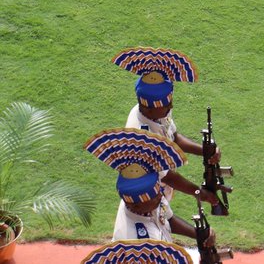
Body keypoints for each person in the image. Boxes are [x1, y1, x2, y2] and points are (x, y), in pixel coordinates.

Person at [111, 47, 227, 208]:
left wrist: (205, 150)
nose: (170, 106)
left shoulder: (157, 111)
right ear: (149, 108)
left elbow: (173, 137)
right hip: (148, 200)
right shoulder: (143, 140)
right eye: (166, 104)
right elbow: (167, 177)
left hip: (160, 194)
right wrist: (199, 193)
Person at [85, 128, 216, 247]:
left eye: (158, 191)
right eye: (156, 197)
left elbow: (167, 218)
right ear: (137, 206)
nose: (161, 196)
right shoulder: (139, 242)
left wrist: (199, 234)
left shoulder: (145, 200)